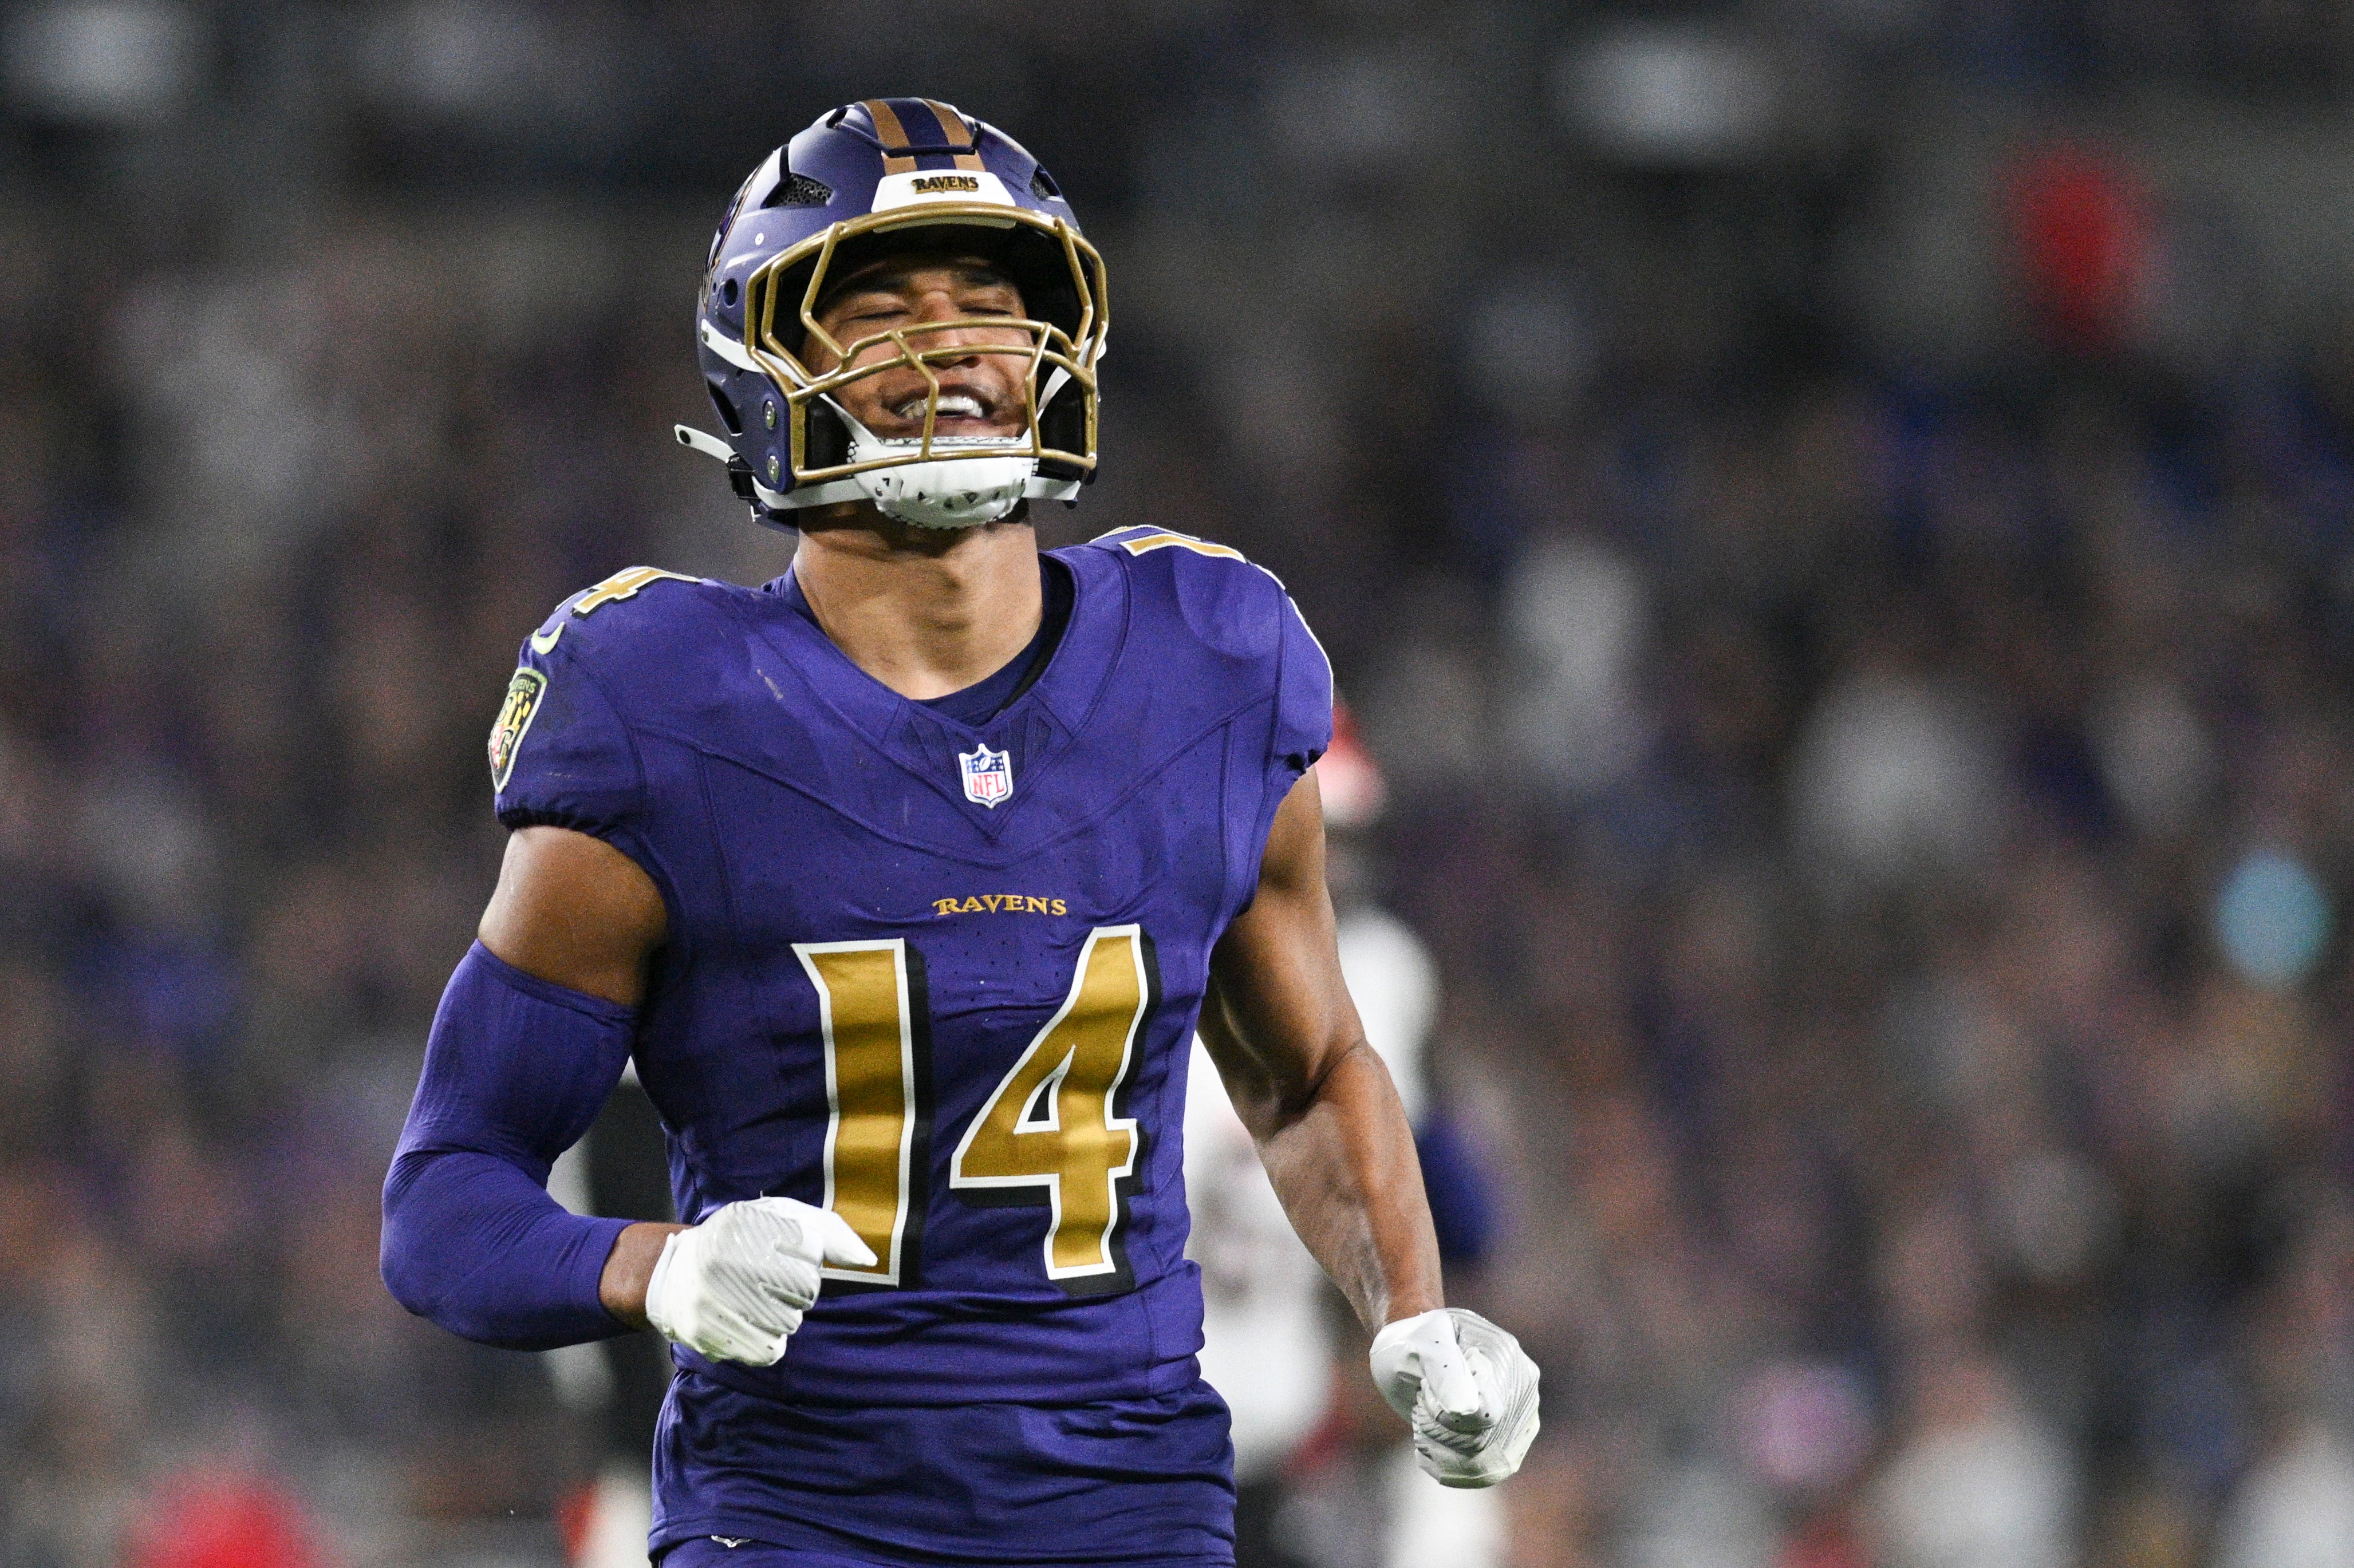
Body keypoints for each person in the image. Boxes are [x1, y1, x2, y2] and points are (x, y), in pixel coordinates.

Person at [379, 98, 1540, 1568]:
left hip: (1140, 1507)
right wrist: (655, 1270)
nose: (951, 344)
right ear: (768, 358)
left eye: (992, 300)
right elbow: (444, 1197)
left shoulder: (1215, 659)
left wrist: (1414, 1313)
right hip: (800, 1517)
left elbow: (1307, 1076)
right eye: (880, 305)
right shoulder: (660, 707)